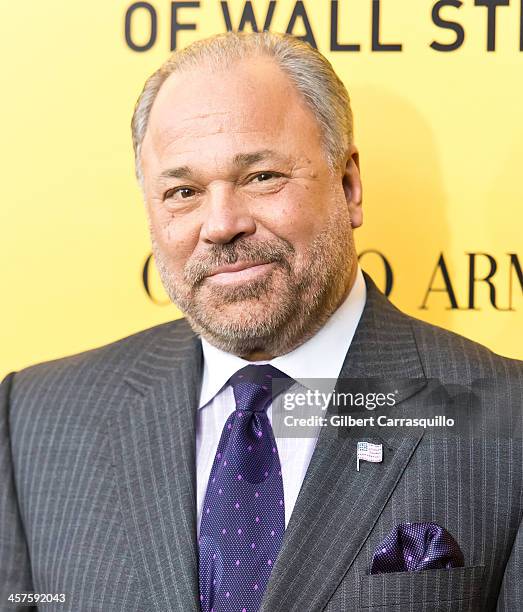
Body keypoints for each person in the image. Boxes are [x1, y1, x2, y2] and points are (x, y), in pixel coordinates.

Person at [1, 31, 521, 612]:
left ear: (348, 185)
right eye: (182, 190)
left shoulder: (510, 422)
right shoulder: (35, 420)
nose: (221, 223)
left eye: (261, 177)